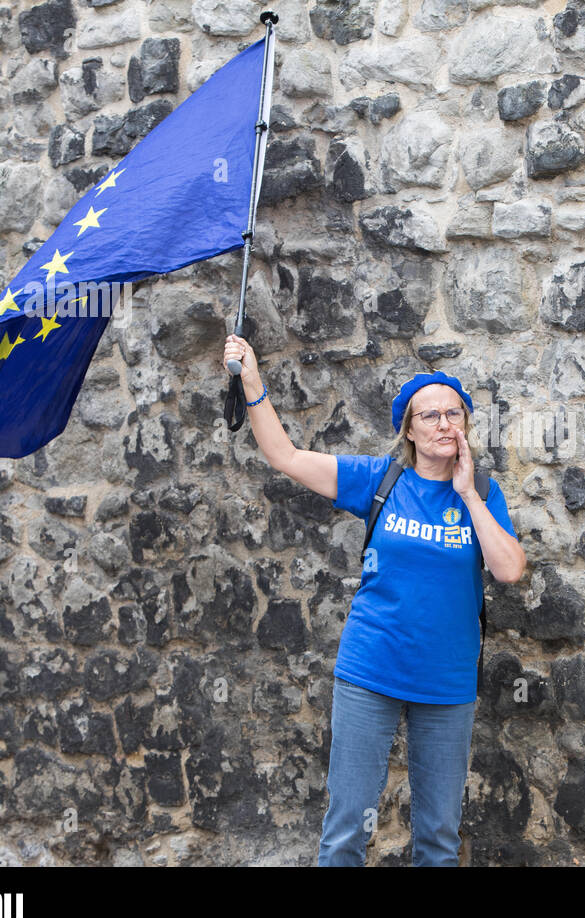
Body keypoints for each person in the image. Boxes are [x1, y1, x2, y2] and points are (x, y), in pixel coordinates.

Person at [221, 334, 527, 866]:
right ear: (408, 430)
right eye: (429, 416)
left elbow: (508, 570)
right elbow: (285, 455)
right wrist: (251, 382)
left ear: (466, 425)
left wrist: (469, 493)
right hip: (371, 671)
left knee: (438, 840)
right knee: (346, 833)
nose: (443, 424)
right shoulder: (380, 481)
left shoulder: (486, 495)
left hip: (447, 683)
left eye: (453, 413)